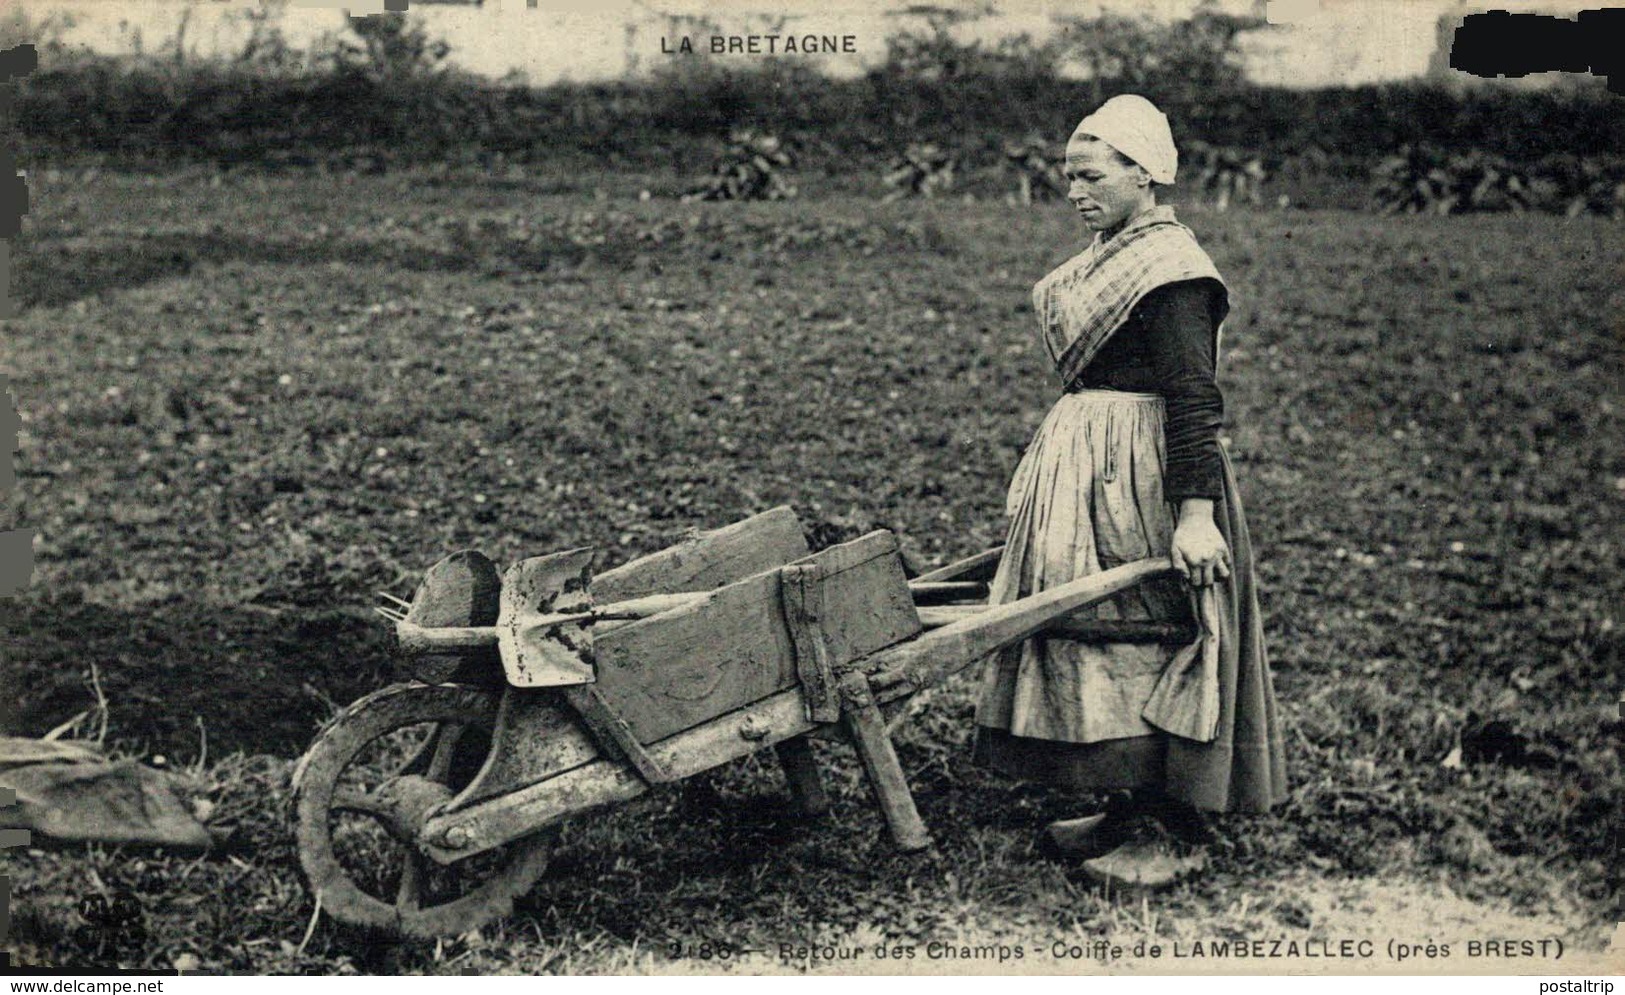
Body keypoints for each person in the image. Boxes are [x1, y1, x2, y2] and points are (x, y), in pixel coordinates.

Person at [973, 95, 1287, 888]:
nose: (1075, 192)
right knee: (1096, 626)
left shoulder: (1172, 272)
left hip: (1146, 472)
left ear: (1143, 172)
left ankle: (1173, 824)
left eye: (1091, 176)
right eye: (1067, 178)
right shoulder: (1107, 259)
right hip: (1088, 464)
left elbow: (1193, 396)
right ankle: (1124, 803)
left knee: (1157, 627)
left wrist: (1193, 514)